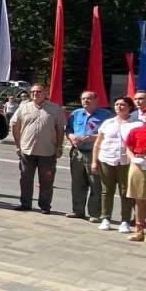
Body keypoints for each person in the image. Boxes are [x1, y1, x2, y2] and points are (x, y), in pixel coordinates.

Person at [11, 83, 65, 213]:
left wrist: (59, 147)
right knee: (25, 179)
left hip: (47, 151)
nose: (35, 94)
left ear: (45, 93)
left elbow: (60, 129)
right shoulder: (24, 108)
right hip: (27, 150)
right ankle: (25, 204)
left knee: (46, 180)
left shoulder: (55, 108)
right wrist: (18, 146)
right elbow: (15, 126)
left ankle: (45, 206)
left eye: (39, 91)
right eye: (33, 92)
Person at [92, 96, 137, 234]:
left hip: (126, 162)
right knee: (107, 191)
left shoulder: (136, 124)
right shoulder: (108, 123)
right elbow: (98, 143)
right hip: (107, 160)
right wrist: (94, 161)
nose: (119, 107)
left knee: (125, 192)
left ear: (129, 107)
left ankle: (125, 221)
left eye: (122, 104)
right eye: (116, 104)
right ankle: (106, 218)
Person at [65, 91, 111, 222]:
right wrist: (72, 136)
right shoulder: (76, 113)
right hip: (77, 152)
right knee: (77, 183)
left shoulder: (105, 115)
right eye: (83, 98)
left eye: (89, 98)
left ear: (96, 100)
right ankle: (77, 210)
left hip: (94, 153)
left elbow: (110, 132)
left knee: (95, 183)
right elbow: (68, 129)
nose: (86, 101)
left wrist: (93, 137)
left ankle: (94, 213)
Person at [125, 120, 146, 241]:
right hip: (139, 163)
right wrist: (133, 158)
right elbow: (128, 148)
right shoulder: (136, 131)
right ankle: (139, 230)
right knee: (139, 197)